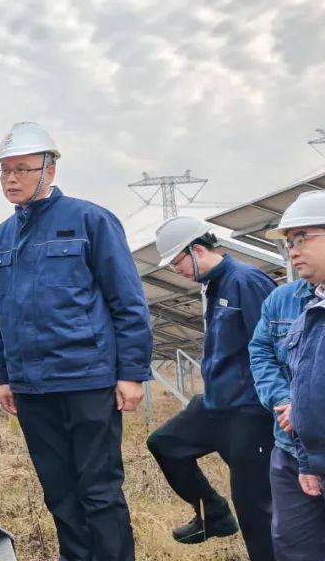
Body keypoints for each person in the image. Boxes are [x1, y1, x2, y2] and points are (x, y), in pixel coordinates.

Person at [0, 122, 153, 561]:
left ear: (50, 169)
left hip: (86, 379)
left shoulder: (90, 221)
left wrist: (132, 373)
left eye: (21, 169)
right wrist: (3, 375)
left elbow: (127, 300)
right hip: (31, 388)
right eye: (4, 171)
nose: (11, 179)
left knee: (99, 489)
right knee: (58, 491)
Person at [147, 216, 276, 560]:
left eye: (177, 261)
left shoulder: (246, 281)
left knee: (255, 508)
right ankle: (214, 514)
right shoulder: (212, 287)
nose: (176, 271)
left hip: (248, 411)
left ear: (198, 250)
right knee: (165, 443)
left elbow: (273, 345)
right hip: (216, 404)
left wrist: (273, 402)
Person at [256, 190, 325, 558]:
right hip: (291, 447)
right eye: (289, 243)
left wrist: (304, 409)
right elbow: (261, 351)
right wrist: (285, 402)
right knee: (295, 546)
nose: (293, 251)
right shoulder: (283, 301)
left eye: (302, 238)